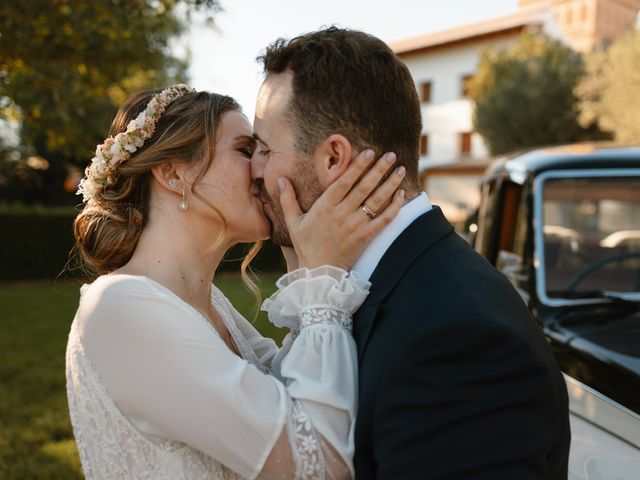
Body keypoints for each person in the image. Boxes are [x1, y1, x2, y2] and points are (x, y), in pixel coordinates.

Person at [251, 27, 571, 479]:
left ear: (333, 159)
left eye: (264, 149)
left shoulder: (461, 339)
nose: (252, 169)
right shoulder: (369, 283)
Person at [66, 84, 407, 479]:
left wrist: (303, 251)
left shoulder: (207, 302)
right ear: (174, 172)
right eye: (245, 151)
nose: (261, 169)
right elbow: (319, 467)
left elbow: (292, 393)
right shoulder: (123, 309)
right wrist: (320, 273)